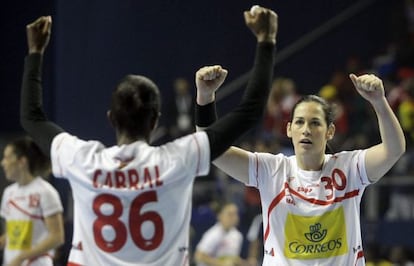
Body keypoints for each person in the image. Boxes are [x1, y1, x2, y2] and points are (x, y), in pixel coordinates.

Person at [19, 5, 277, 266]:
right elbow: (250, 111)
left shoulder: (82, 159)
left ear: (111, 118)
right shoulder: (178, 158)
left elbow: (31, 118)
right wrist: (266, 40)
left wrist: (35, 52)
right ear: (155, 121)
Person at [195, 70, 406, 264]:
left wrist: (379, 102)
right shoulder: (272, 170)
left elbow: (394, 150)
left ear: (330, 131)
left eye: (315, 123)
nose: (306, 130)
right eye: (299, 122)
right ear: (288, 129)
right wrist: (205, 98)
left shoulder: (350, 168)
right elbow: (213, 150)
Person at [0, 137, 64, 266]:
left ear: (21, 162)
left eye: (7, 158)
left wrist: (22, 257)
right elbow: (13, 234)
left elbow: (57, 237)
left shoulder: (45, 192)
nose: (3, 163)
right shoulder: (8, 193)